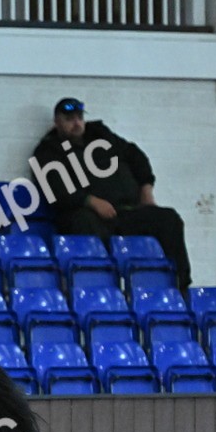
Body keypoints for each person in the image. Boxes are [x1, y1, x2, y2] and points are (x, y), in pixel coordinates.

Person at [33, 97, 192, 295]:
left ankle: (180, 287)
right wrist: (90, 201)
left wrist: (146, 188)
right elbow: (55, 191)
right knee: (82, 221)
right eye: (69, 119)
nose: (76, 123)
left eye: (79, 117)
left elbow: (136, 156)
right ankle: (104, 288)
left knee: (168, 219)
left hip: (125, 212)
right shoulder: (47, 153)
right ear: (57, 122)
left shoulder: (101, 137)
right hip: (88, 216)